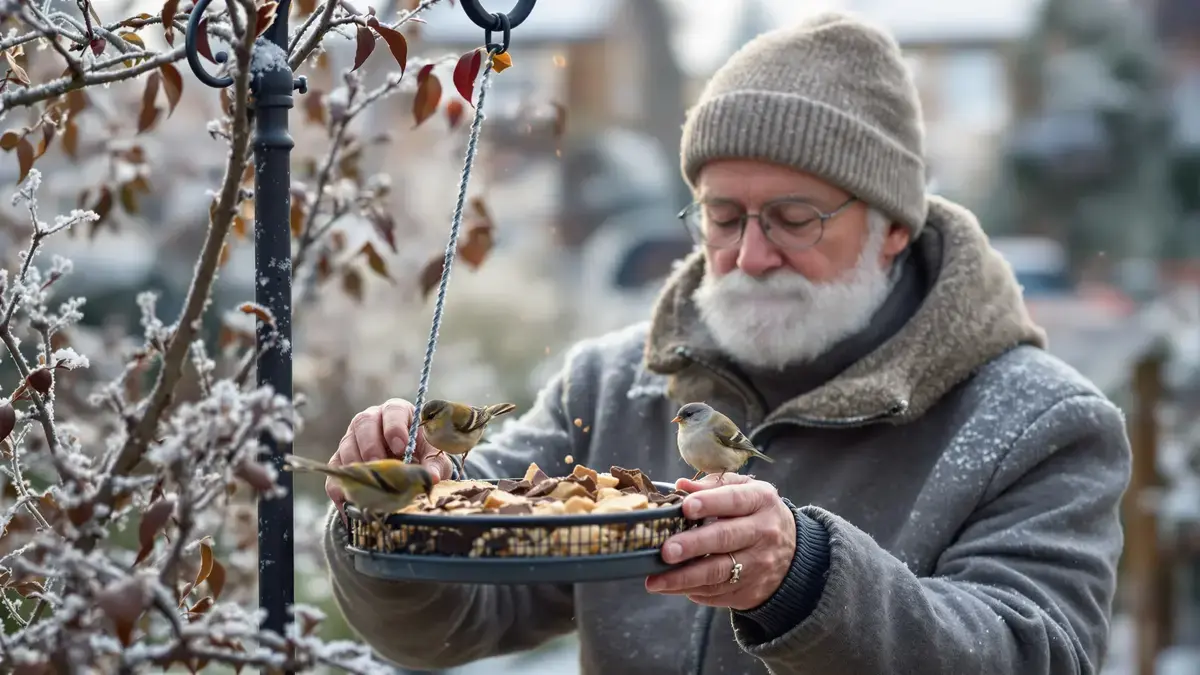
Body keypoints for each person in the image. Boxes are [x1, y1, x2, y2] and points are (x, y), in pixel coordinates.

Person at [321, 11, 1131, 675]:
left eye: (793, 218)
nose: (750, 254)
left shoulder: (1039, 423)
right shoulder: (614, 384)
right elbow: (445, 621)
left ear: (893, 227)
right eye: (722, 215)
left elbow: (1039, 654)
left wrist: (807, 580)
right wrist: (396, 509)